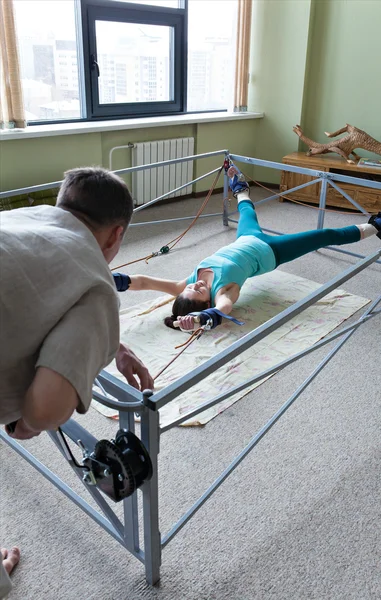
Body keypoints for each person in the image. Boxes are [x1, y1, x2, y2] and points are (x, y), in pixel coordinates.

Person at [113, 163, 381, 332]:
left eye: (190, 289)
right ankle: (375, 227)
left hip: (245, 240)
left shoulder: (187, 284)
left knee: (245, 208)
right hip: (270, 251)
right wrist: (199, 320)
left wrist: (111, 280)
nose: (194, 286)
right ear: (206, 302)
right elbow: (225, 309)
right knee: (323, 235)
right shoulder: (223, 292)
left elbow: (144, 282)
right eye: (197, 293)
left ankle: (240, 187)